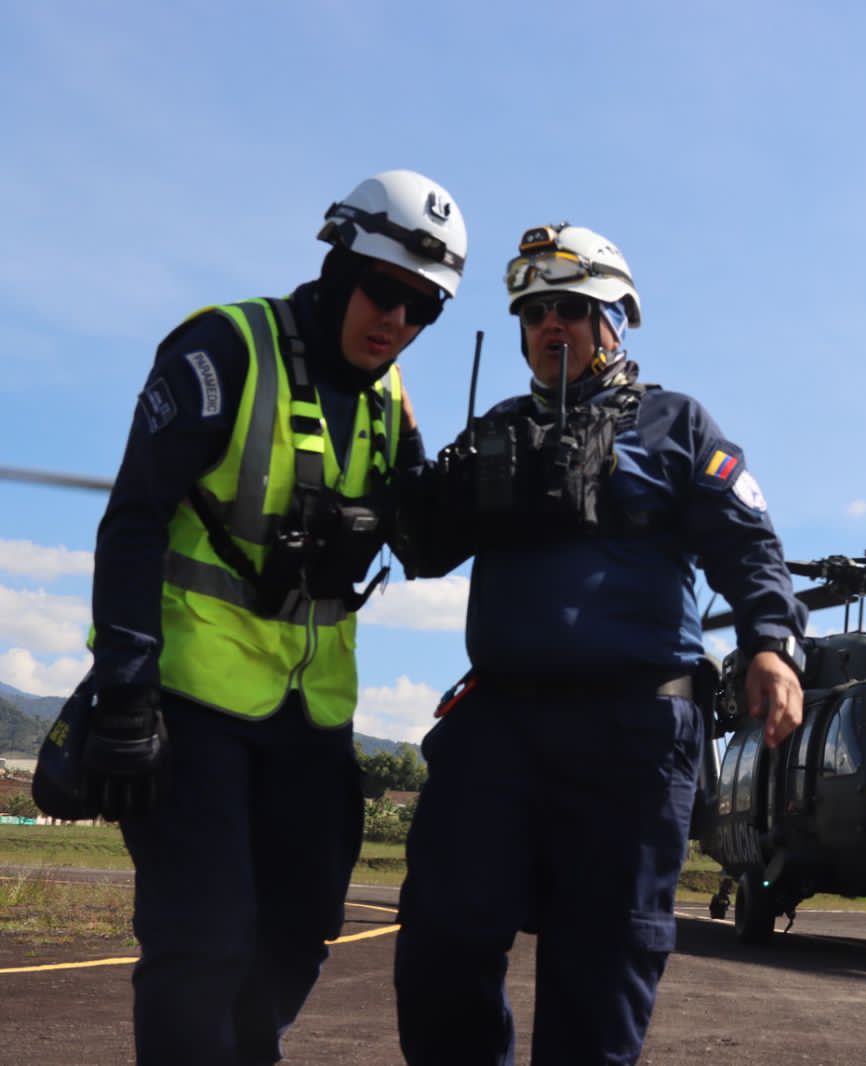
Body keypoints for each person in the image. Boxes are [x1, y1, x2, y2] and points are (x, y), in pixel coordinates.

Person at [392, 221, 807, 1065]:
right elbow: (422, 544)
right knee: (440, 935)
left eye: (574, 310)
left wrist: (771, 642)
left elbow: (748, 544)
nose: (553, 327)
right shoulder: (495, 430)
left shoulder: (678, 425)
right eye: (537, 312)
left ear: (618, 319)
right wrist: (399, 437)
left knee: (603, 962)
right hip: (501, 721)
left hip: (632, 733)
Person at [86, 169, 467, 1065]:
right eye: (385, 294)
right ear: (340, 261)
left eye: (425, 312)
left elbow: (425, 539)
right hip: (191, 701)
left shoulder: (390, 399)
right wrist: (125, 692)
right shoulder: (224, 348)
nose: (398, 324)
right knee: (204, 940)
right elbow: (135, 517)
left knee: (298, 933)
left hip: (312, 719)